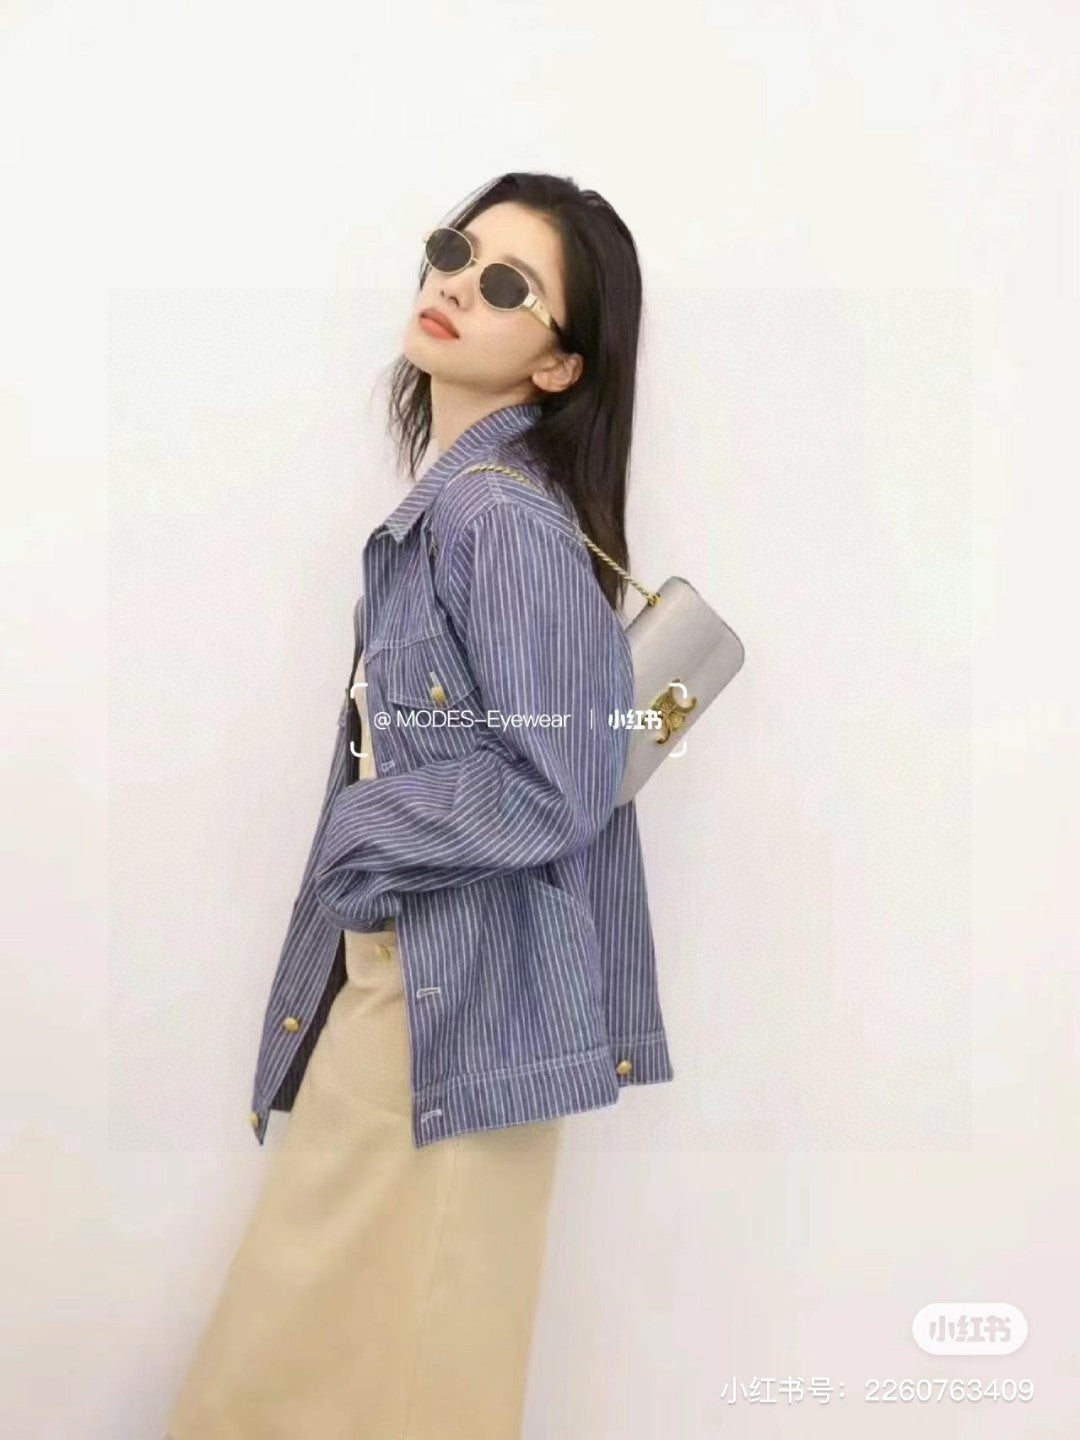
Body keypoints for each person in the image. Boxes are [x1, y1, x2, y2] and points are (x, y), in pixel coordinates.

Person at [166, 170, 674, 1440]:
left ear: (558, 366)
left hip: (449, 1006)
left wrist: (362, 830)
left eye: (506, 284)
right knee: (338, 1375)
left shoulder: (497, 518)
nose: (455, 282)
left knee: (344, 1384)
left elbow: (560, 782)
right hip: (420, 994)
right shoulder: (455, 509)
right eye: (455, 249)